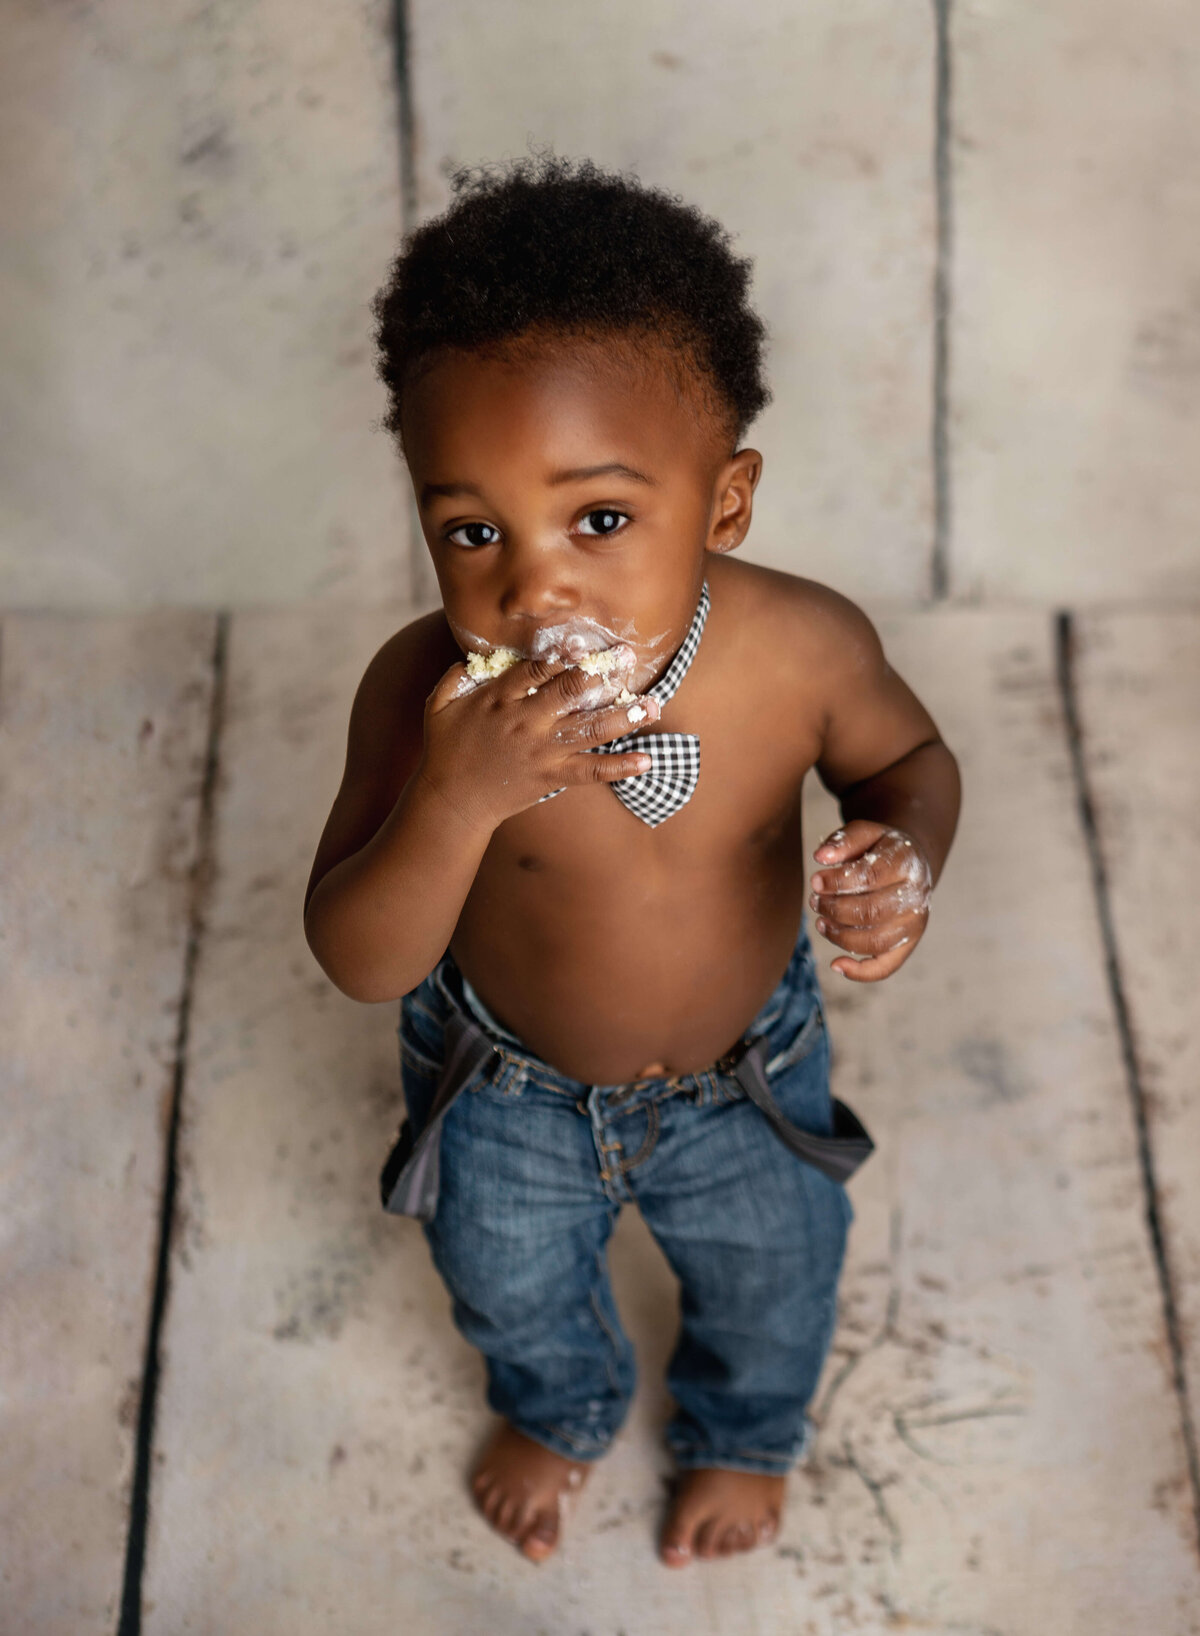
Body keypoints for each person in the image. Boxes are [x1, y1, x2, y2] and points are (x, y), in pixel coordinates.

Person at [303, 152, 961, 1569]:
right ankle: (562, 1403)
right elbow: (359, 960)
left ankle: (743, 1431)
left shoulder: (803, 649)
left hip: (748, 1070)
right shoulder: (421, 691)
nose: (534, 583)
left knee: (779, 1270)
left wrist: (899, 856)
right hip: (506, 1088)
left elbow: (910, 765)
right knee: (506, 1283)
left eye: (600, 518)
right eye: (472, 529)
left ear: (723, 505)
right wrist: (454, 801)